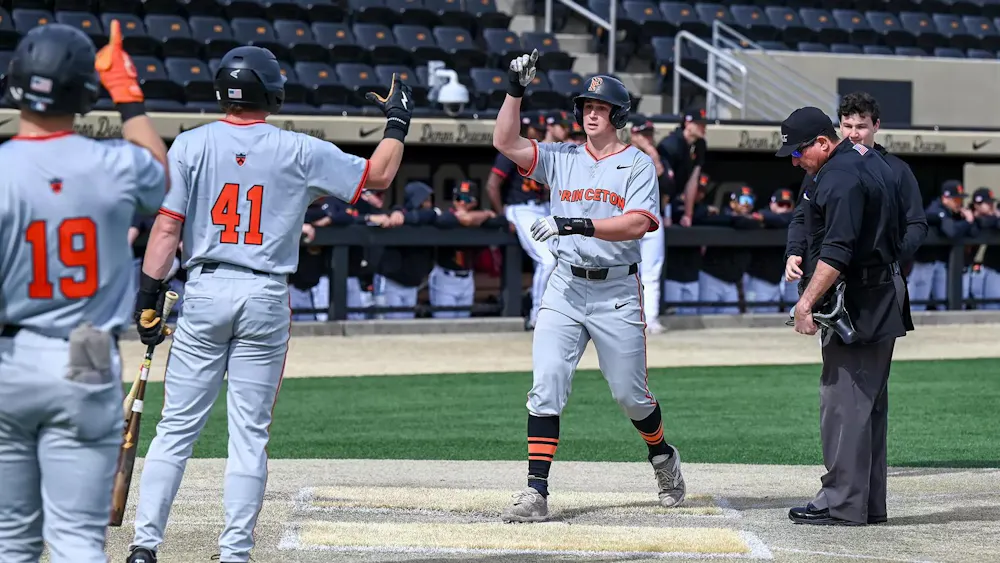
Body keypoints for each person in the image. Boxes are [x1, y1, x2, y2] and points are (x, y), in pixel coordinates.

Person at [125, 46, 411, 563]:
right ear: (272, 92)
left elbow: (166, 229)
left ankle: (145, 547)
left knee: (175, 429)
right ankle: (234, 553)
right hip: (264, 293)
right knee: (248, 434)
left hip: (205, 289)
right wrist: (397, 119)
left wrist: (147, 297)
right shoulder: (298, 148)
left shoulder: (189, 145)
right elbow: (380, 177)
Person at [0, 21, 168, 563]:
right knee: (77, 540)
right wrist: (128, 94)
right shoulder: (113, 163)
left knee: (10, 541)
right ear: (82, 91)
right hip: (87, 347)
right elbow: (163, 175)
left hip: (9, 352)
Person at [493, 50, 686, 523]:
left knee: (630, 394)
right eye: (585, 107)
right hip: (565, 286)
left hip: (616, 290)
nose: (590, 113)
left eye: (599, 108)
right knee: (546, 386)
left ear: (618, 115)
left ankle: (662, 455)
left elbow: (639, 223)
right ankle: (536, 490)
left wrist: (577, 223)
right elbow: (505, 141)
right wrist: (515, 89)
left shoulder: (638, 164)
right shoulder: (561, 157)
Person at [776, 106, 910, 526]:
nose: (796, 161)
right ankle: (866, 502)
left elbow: (837, 252)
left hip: (861, 298)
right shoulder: (857, 165)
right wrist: (796, 249)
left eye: (799, 152)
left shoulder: (840, 176)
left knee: (843, 402)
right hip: (877, 291)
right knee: (866, 405)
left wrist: (805, 304)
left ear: (822, 142)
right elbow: (807, 220)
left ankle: (841, 502)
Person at [787, 91, 927, 314]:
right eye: (847, 125)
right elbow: (802, 215)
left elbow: (917, 224)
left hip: (878, 283)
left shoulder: (895, 170)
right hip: (832, 282)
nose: (853, 134)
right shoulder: (820, 170)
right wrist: (795, 251)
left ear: (876, 126)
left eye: (860, 126)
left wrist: (887, 256)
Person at [486, 111, 553, 330]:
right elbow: (492, 185)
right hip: (520, 208)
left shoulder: (544, 152)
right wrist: (503, 214)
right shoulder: (512, 150)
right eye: (537, 129)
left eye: (543, 130)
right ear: (526, 129)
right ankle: (537, 315)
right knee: (547, 260)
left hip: (543, 208)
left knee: (563, 259)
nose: (540, 133)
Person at [428, 181, 497, 318]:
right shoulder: (447, 217)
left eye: (466, 199)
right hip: (446, 278)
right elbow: (445, 220)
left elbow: (500, 220)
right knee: (444, 326)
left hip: (467, 279)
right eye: (458, 199)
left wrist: (480, 216)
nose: (462, 203)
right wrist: (483, 215)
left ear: (475, 202)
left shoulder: (481, 221)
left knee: (464, 325)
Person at [373, 181, 440, 319]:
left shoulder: (430, 215)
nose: (428, 204)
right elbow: (396, 213)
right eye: (425, 200)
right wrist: (398, 214)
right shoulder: (397, 213)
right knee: (388, 326)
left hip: (412, 284)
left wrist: (406, 217)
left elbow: (431, 215)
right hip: (391, 281)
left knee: (406, 325)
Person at [630, 115, 672, 333]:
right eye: (642, 134)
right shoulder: (623, 154)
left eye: (649, 134)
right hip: (626, 219)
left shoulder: (657, 157)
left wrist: (651, 150)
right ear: (632, 134)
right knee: (625, 272)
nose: (647, 138)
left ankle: (651, 318)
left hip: (652, 219)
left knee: (652, 273)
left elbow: (666, 183)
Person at [908, 180, 976, 310]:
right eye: (956, 199)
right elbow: (951, 231)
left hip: (938, 263)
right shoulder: (936, 209)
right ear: (945, 198)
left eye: (960, 199)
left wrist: (968, 220)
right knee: (915, 306)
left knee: (945, 304)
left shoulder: (953, 212)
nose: (959, 203)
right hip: (923, 263)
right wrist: (968, 222)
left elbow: (973, 232)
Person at [743, 189, 796, 313]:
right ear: (772, 204)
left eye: (787, 205)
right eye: (780, 204)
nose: (784, 208)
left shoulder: (792, 218)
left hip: (777, 280)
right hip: (758, 278)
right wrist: (763, 218)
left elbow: (787, 218)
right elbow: (756, 217)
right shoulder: (762, 214)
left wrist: (766, 219)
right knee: (756, 318)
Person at [656, 107, 707, 226]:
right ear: (688, 123)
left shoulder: (700, 144)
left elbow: (693, 180)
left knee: (702, 215)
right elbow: (665, 183)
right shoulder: (672, 144)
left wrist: (688, 215)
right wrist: (665, 215)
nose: (703, 128)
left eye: (704, 124)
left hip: (675, 197)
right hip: (657, 200)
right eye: (699, 124)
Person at [967, 188, 1000, 309]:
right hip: (952, 268)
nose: (992, 206)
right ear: (977, 204)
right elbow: (981, 222)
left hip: (977, 268)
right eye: (988, 204)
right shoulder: (967, 215)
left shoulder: (992, 218)